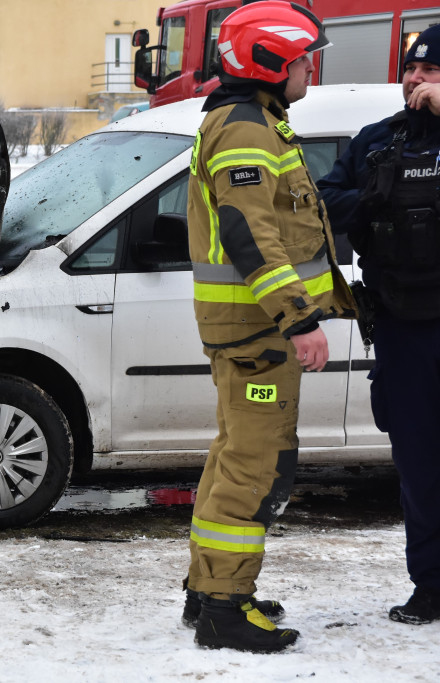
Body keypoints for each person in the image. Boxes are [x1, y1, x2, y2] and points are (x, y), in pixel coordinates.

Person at [183, 1, 356, 652]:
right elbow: (249, 235)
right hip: (259, 330)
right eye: (304, 58)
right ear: (270, 61)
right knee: (256, 463)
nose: (311, 68)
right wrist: (300, 318)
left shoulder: (252, 122)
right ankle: (225, 609)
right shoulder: (247, 131)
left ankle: (208, 589)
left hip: (248, 328)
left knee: (233, 454)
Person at [317, 25, 440, 626]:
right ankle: (433, 585)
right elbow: (320, 203)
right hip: (402, 325)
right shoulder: (377, 140)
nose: (416, 79)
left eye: (431, 71)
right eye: (411, 70)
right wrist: (368, 199)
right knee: (419, 461)